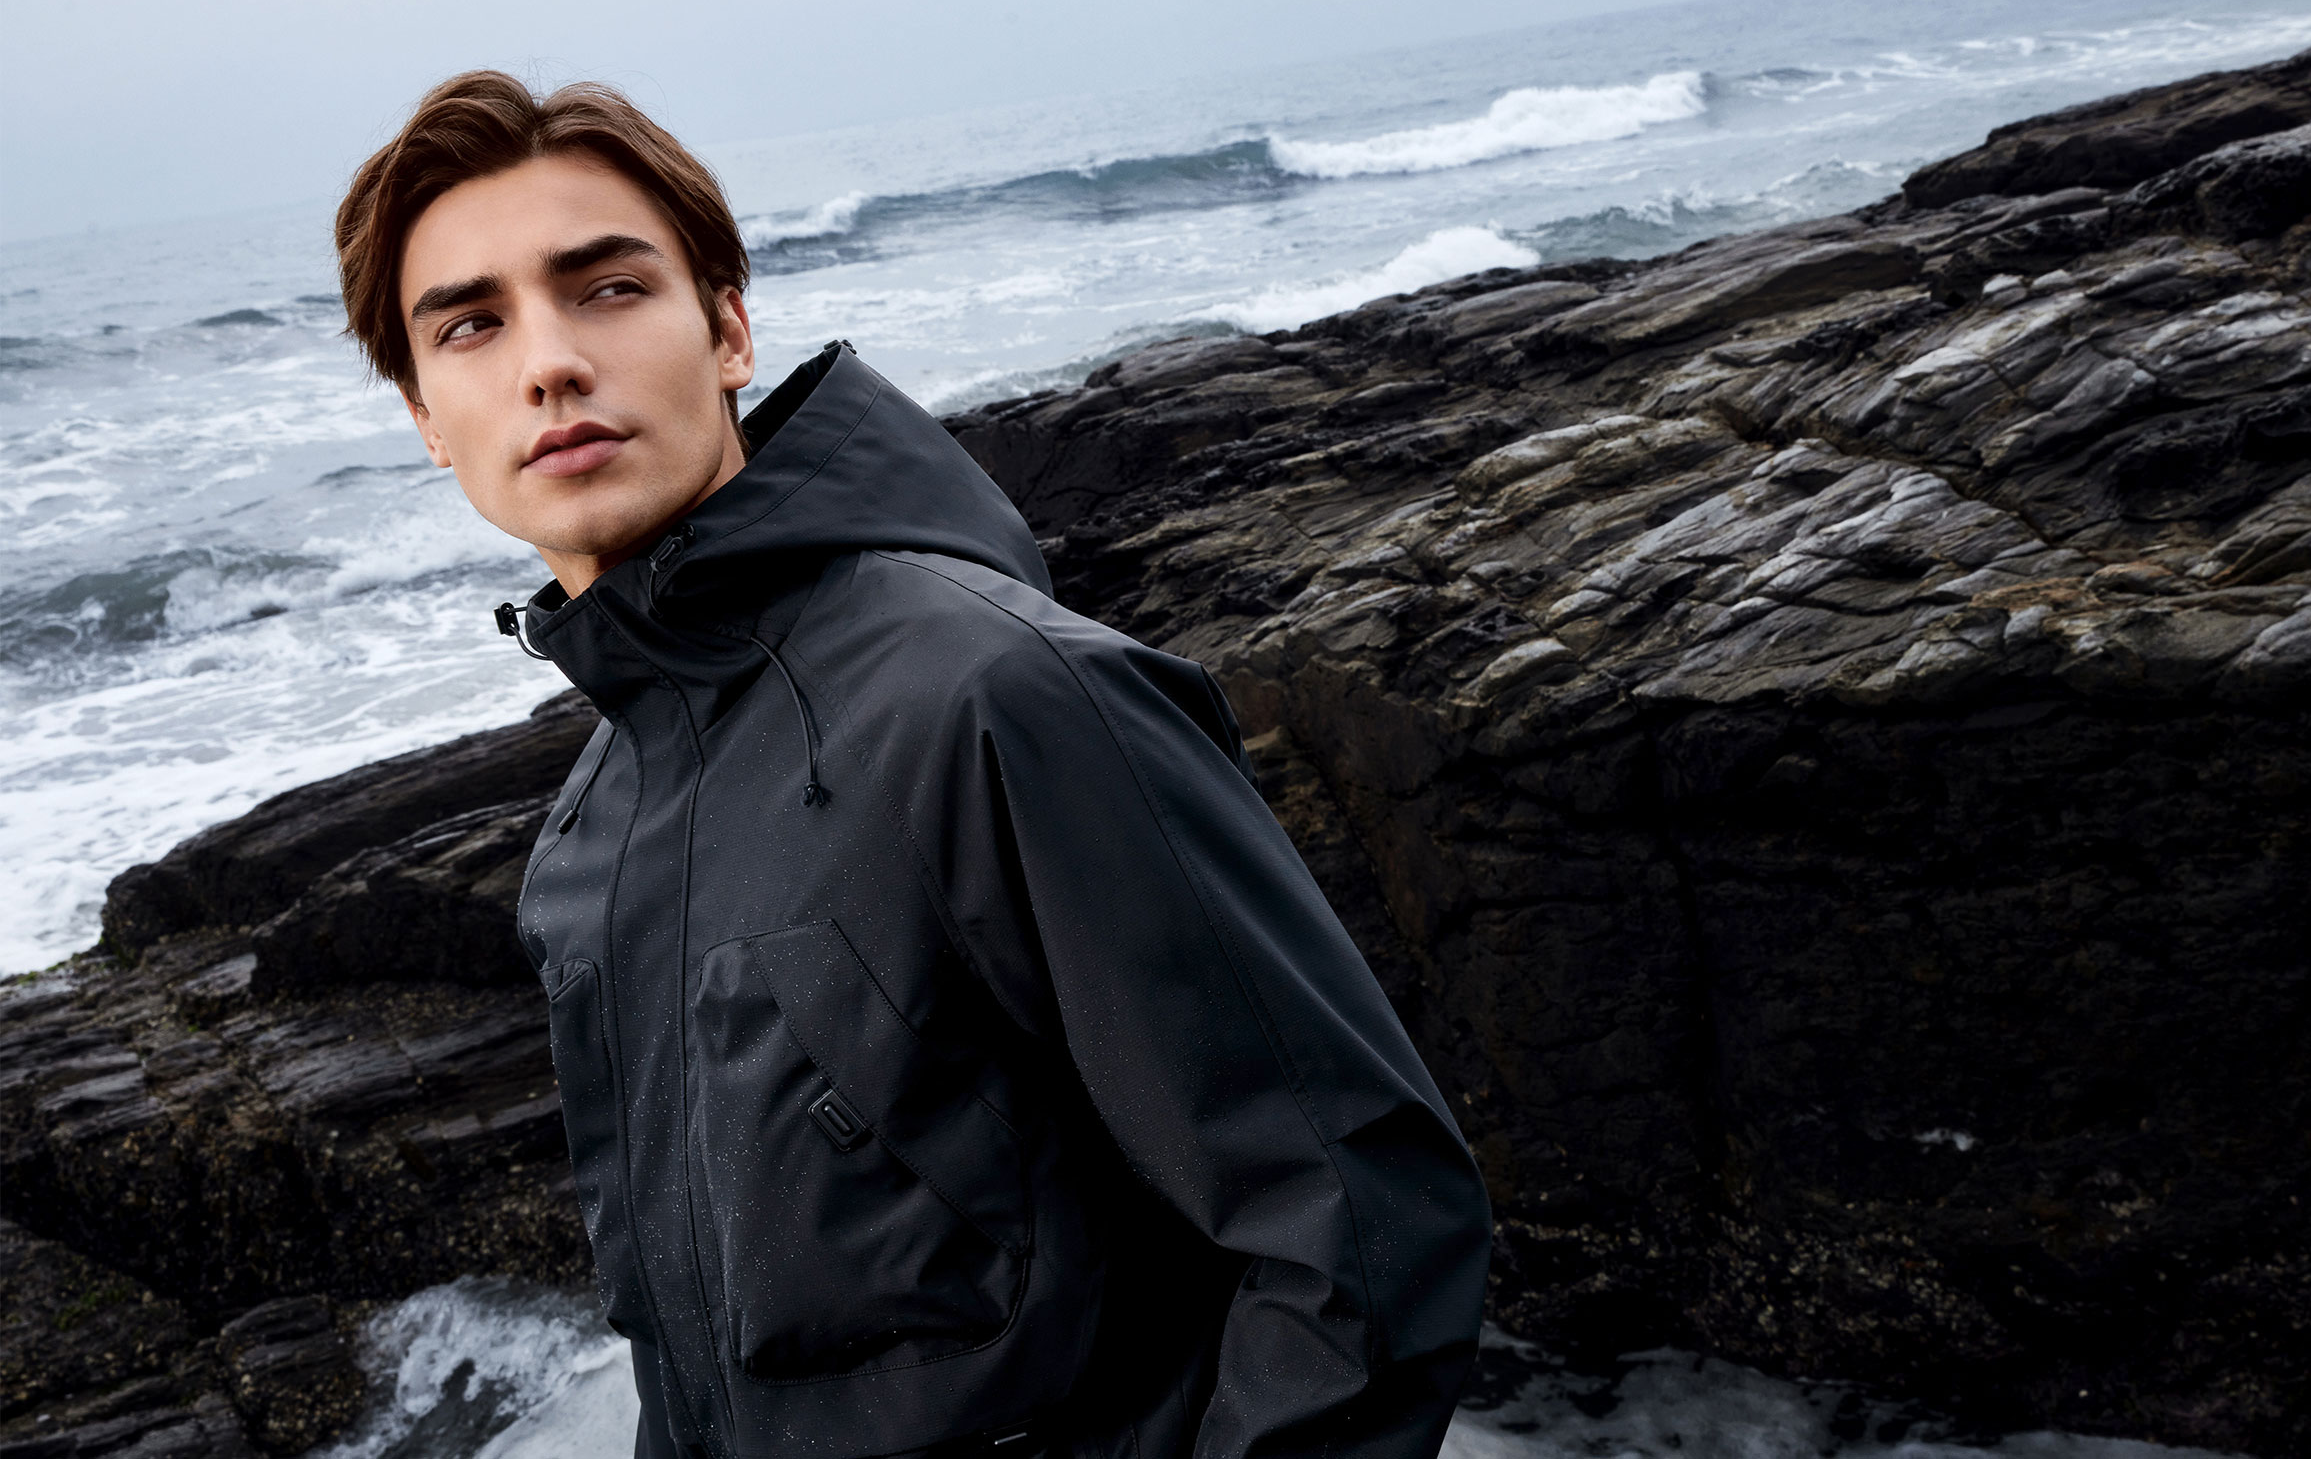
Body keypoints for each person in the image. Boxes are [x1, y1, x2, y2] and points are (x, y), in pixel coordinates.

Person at [334, 71, 1490, 1458]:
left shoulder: (1001, 694)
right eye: (470, 324)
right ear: (426, 416)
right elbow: (690, 1349)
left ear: (728, 329)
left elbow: (1362, 1231)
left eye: (609, 289)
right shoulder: (591, 835)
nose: (549, 363)